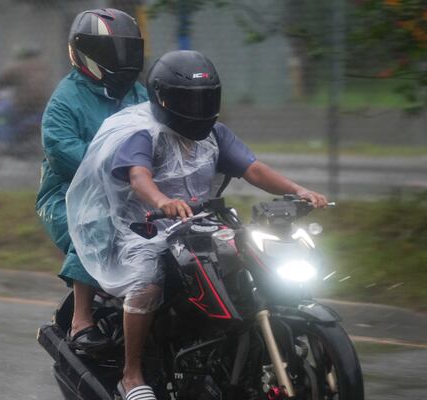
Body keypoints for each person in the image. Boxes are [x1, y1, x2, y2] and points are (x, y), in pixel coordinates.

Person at [66, 50, 327, 400]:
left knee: (249, 264)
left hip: (200, 224)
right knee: (147, 286)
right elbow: (138, 175)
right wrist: (161, 201)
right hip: (144, 228)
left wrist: (298, 190)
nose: (197, 106)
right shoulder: (144, 133)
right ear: (163, 97)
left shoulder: (214, 134)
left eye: (205, 98)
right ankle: (131, 376)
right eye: (188, 98)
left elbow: (253, 169)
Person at [35, 8, 148, 353]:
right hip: (67, 199)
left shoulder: (138, 94)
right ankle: (81, 320)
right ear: (86, 52)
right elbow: (65, 153)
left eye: (130, 50)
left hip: (134, 193)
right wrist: (128, 169)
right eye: (114, 51)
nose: (123, 59)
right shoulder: (65, 100)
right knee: (97, 220)